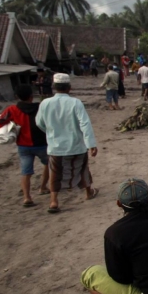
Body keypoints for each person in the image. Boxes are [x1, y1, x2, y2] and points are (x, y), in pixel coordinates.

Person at [36, 73, 99, 213]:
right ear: (69, 87)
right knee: (83, 169)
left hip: (55, 146)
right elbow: (85, 124)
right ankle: (88, 192)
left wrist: (51, 132)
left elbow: (39, 123)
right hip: (76, 145)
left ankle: (54, 201)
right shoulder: (75, 102)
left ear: (54, 87)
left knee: (55, 173)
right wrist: (91, 144)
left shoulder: (45, 103)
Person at [0, 84, 50, 207]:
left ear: (17, 96)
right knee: (48, 164)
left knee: (26, 172)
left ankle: (27, 197)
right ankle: (43, 187)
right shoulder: (40, 107)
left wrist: (12, 127)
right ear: (31, 96)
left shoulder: (12, 109)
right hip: (42, 144)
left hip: (23, 145)